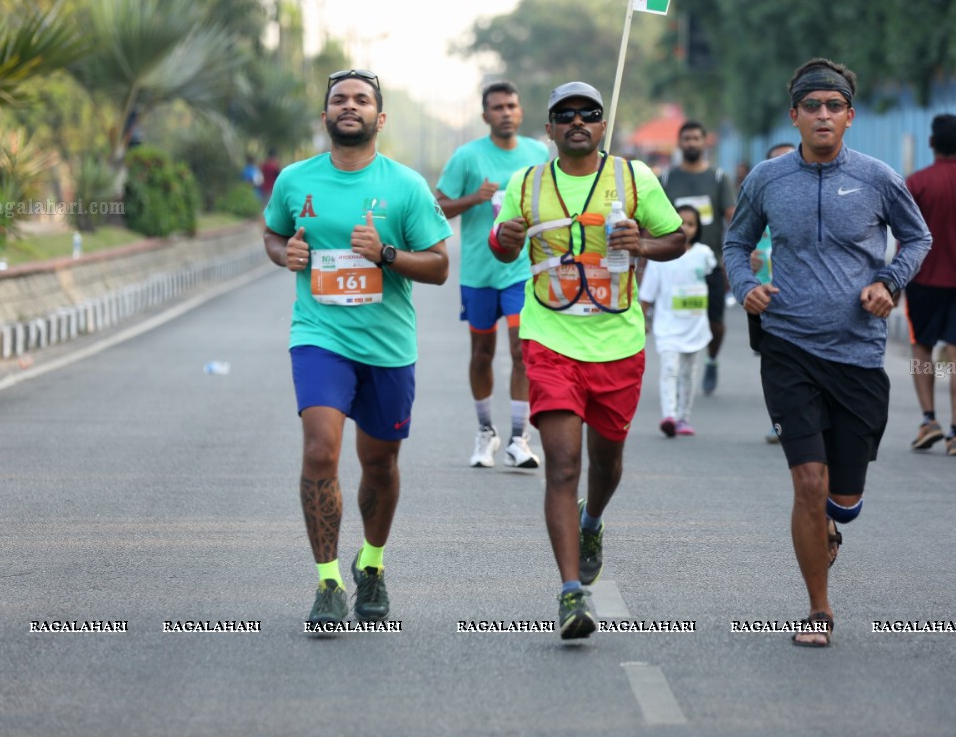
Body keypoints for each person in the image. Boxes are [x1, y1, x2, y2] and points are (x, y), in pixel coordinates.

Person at [724, 58, 931, 647]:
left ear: (849, 116)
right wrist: (747, 288)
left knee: (843, 499)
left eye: (832, 106)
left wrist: (889, 283)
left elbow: (919, 237)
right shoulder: (766, 179)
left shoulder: (877, 178)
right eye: (811, 106)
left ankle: (832, 528)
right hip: (789, 345)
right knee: (808, 484)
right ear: (794, 116)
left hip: (859, 355)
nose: (822, 115)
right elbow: (736, 243)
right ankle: (819, 611)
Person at [490, 81, 684, 639]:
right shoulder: (524, 183)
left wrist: (642, 243)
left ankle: (592, 519)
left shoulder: (633, 179)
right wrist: (505, 236)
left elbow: (677, 239)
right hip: (549, 340)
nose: (577, 121)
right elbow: (502, 247)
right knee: (563, 464)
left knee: (607, 463)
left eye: (589, 114)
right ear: (548, 129)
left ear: (603, 126)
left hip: (618, 345)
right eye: (564, 115)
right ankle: (572, 593)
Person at [263, 69, 453, 629]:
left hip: (388, 346)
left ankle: (371, 563)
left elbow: (440, 266)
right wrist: (285, 255)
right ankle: (327, 581)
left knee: (380, 464)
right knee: (321, 451)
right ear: (325, 116)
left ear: (380, 118)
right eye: (339, 100)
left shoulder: (406, 186)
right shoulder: (296, 181)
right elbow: (273, 233)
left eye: (362, 100)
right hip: (319, 337)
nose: (351, 106)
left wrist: (387, 254)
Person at [435, 81, 550, 469]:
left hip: (520, 270)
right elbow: (437, 208)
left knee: (522, 350)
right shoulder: (467, 157)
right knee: (482, 355)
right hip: (479, 273)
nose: (505, 112)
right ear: (485, 115)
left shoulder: (538, 153)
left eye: (511, 106)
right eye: (497, 107)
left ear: (521, 111)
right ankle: (486, 432)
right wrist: (474, 199)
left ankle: (520, 438)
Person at [904, 114, 956, 457]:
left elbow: (904, 234)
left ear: (932, 143)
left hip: (923, 279)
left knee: (922, 347)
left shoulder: (916, 183)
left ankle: (928, 419)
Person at [660, 121, 736, 396]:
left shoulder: (717, 178)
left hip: (710, 263)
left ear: (705, 143)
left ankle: (711, 359)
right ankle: (678, 370)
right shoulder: (667, 179)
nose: (691, 143)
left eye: (696, 138)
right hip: (674, 262)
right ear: (679, 144)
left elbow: (732, 217)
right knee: (677, 318)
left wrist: (739, 253)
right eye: (687, 139)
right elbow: (652, 216)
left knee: (715, 320)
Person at [639, 205, 714, 437]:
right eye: (680, 222)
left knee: (689, 374)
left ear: (698, 228)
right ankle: (669, 416)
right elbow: (647, 294)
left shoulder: (704, 254)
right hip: (668, 326)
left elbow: (715, 281)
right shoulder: (659, 257)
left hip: (695, 327)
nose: (685, 228)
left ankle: (683, 417)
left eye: (691, 224)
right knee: (670, 370)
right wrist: (642, 318)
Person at [754, 142, 796, 446]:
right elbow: (737, 244)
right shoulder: (757, 203)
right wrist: (746, 265)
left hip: (801, 296)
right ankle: (779, 421)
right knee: (773, 361)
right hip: (764, 295)